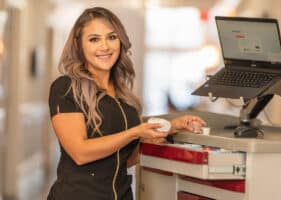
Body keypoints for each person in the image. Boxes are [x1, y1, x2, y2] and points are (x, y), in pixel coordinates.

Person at [47, 7, 206, 200]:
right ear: (78, 45)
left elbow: (126, 160)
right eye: (94, 39)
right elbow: (80, 153)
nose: (105, 46)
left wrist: (169, 129)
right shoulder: (66, 87)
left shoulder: (124, 96)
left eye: (112, 37)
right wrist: (135, 132)